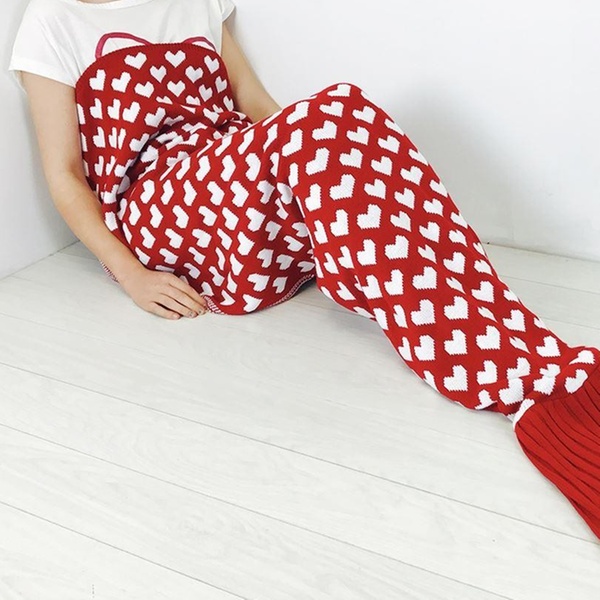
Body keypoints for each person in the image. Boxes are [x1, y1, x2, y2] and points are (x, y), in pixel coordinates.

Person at [8, 0, 600, 539]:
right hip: (163, 211)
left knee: (344, 111)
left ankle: (499, 342)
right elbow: (65, 174)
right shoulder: (52, 21)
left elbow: (254, 104)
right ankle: (504, 370)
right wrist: (130, 274)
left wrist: (309, 166)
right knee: (330, 113)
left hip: (234, 192)